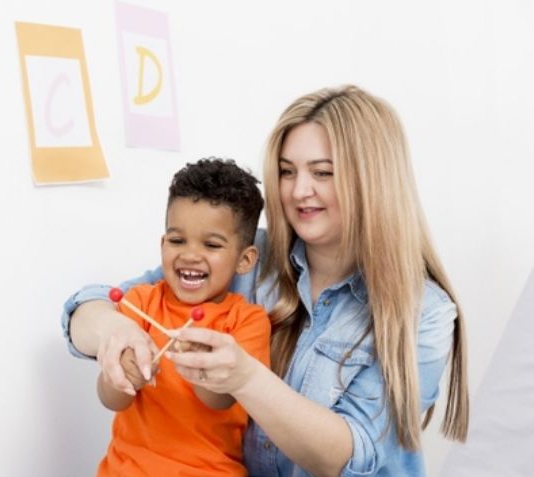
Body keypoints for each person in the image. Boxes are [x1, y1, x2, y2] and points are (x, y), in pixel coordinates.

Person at [61, 85, 469, 477]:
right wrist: (116, 332)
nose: (299, 191)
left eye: (323, 172)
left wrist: (245, 377)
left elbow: (350, 457)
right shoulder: (241, 256)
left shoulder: (425, 312)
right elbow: (89, 305)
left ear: (374, 180)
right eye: (287, 171)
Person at [94, 158, 271, 477]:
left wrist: (201, 365)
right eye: (177, 240)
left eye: (212, 244)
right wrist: (120, 378)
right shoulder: (139, 303)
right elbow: (111, 400)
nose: (189, 254)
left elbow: (221, 400)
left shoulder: (247, 321)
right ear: (163, 244)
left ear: (245, 260)